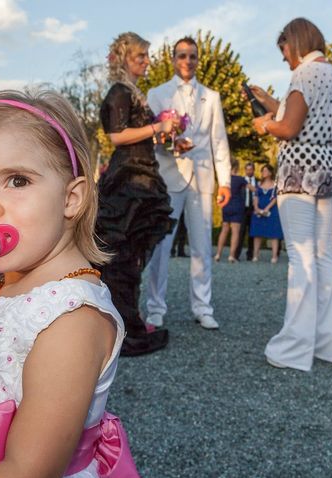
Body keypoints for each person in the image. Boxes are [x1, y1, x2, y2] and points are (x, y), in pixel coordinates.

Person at [0, 91, 139, 478]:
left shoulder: (70, 321)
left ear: (72, 198)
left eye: (16, 181)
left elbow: (29, 468)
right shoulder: (13, 284)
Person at [251, 18, 332, 371]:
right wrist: (270, 102)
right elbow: (308, 117)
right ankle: (325, 343)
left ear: (295, 43)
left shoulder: (304, 74)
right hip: (327, 167)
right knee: (324, 254)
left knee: (301, 256)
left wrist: (265, 124)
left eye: (284, 51)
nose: (284, 60)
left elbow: (289, 127)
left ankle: (293, 348)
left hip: (299, 170)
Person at [95, 32, 175, 356]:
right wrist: (159, 127)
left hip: (142, 173)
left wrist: (168, 136)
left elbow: (137, 135)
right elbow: (117, 136)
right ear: (124, 59)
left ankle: (127, 322)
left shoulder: (131, 91)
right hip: (129, 179)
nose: (146, 61)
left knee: (131, 257)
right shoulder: (118, 92)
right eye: (140, 56)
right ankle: (121, 330)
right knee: (121, 259)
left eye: (146, 56)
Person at [145, 36, 231, 330]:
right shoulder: (157, 94)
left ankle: (203, 306)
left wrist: (225, 181)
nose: (187, 61)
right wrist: (169, 144)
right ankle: (155, 306)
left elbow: (219, 141)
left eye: (192, 56)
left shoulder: (212, 96)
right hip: (169, 178)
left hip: (203, 177)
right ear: (173, 59)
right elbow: (150, 137)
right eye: (182, 55)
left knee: (202, 245)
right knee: (161, 246)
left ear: (197, 59)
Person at [250, 164, 282, 263]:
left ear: (270, 172)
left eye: (266, 171)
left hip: (272, 211)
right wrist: (257, 208)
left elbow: (276, 198)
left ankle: (274, 256)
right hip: (258, 211)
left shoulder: (275, 184)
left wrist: (267, 208)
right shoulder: (258, 184)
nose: (264, 173)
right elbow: (256, 196)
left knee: (274, 234)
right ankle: (255, 255)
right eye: (262, 171)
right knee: (257, 233)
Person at [215, 158, 246, 262]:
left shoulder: (225, 180)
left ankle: (218, 254)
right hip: (237, 206)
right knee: (235, 231)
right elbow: (253, 189)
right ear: (237, 167)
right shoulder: (240, 179)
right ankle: (231, 255)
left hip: (226, 205)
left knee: (224, 229)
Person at [235, 161, 258, 260]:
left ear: (254, 170)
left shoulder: (258, 182)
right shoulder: (241, 181)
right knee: (241, 232)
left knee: (252, 232)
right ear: (245, 170)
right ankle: (236, 254)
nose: (249, 171)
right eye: (247, 169)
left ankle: (250, 254)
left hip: (253, 209)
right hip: (243, 209)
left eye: (250, 169)